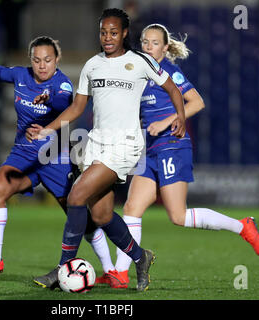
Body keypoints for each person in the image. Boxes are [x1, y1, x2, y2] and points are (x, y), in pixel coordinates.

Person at [27, 8, 186, 292]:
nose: (108, 38)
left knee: (76, 195)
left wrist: (180, 118)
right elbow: (77, 107)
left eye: (114, 32)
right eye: (103, 32)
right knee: (100, 215)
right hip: (97, 144)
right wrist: (48, 129)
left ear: (125, 33)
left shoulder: (140, 61)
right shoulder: (92, 65)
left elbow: (173, 89)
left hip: (125, 144)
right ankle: (141, 257)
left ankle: (63, 267)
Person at [95, 23, 259, 289]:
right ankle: (120, 272)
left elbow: (196, 102)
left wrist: (166, 121)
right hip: (148, 149)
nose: (148, 47)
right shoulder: (139, 73)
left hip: (172, 145)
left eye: (154, 43)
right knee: (131, 208)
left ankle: (242, 226)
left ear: (164, 48)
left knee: (178, 216)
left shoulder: (170, 72)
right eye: (145, 42)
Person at [0, 36, 111, 277]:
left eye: (48, 60)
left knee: (77, 214)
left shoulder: (61, 85)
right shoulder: (21, 76)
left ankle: (111, 269)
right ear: (31, 60)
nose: (42, 65)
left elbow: (65, 102)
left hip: (55, 157)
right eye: (37, 60)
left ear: (57, 60)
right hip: (23, 153)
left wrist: (48, 98)